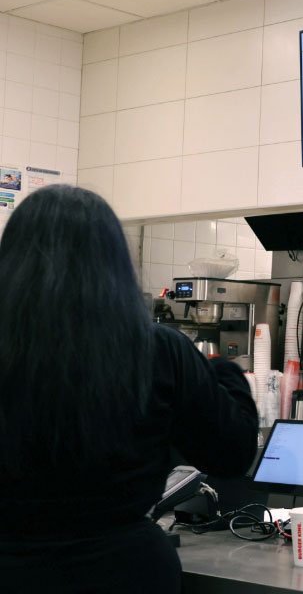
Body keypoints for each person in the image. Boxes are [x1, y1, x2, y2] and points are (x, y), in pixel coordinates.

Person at [0, 185, 259, 593]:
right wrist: (225, 371)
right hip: (125, 571)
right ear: (116, 265)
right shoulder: (158, 351)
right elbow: (232, 454)